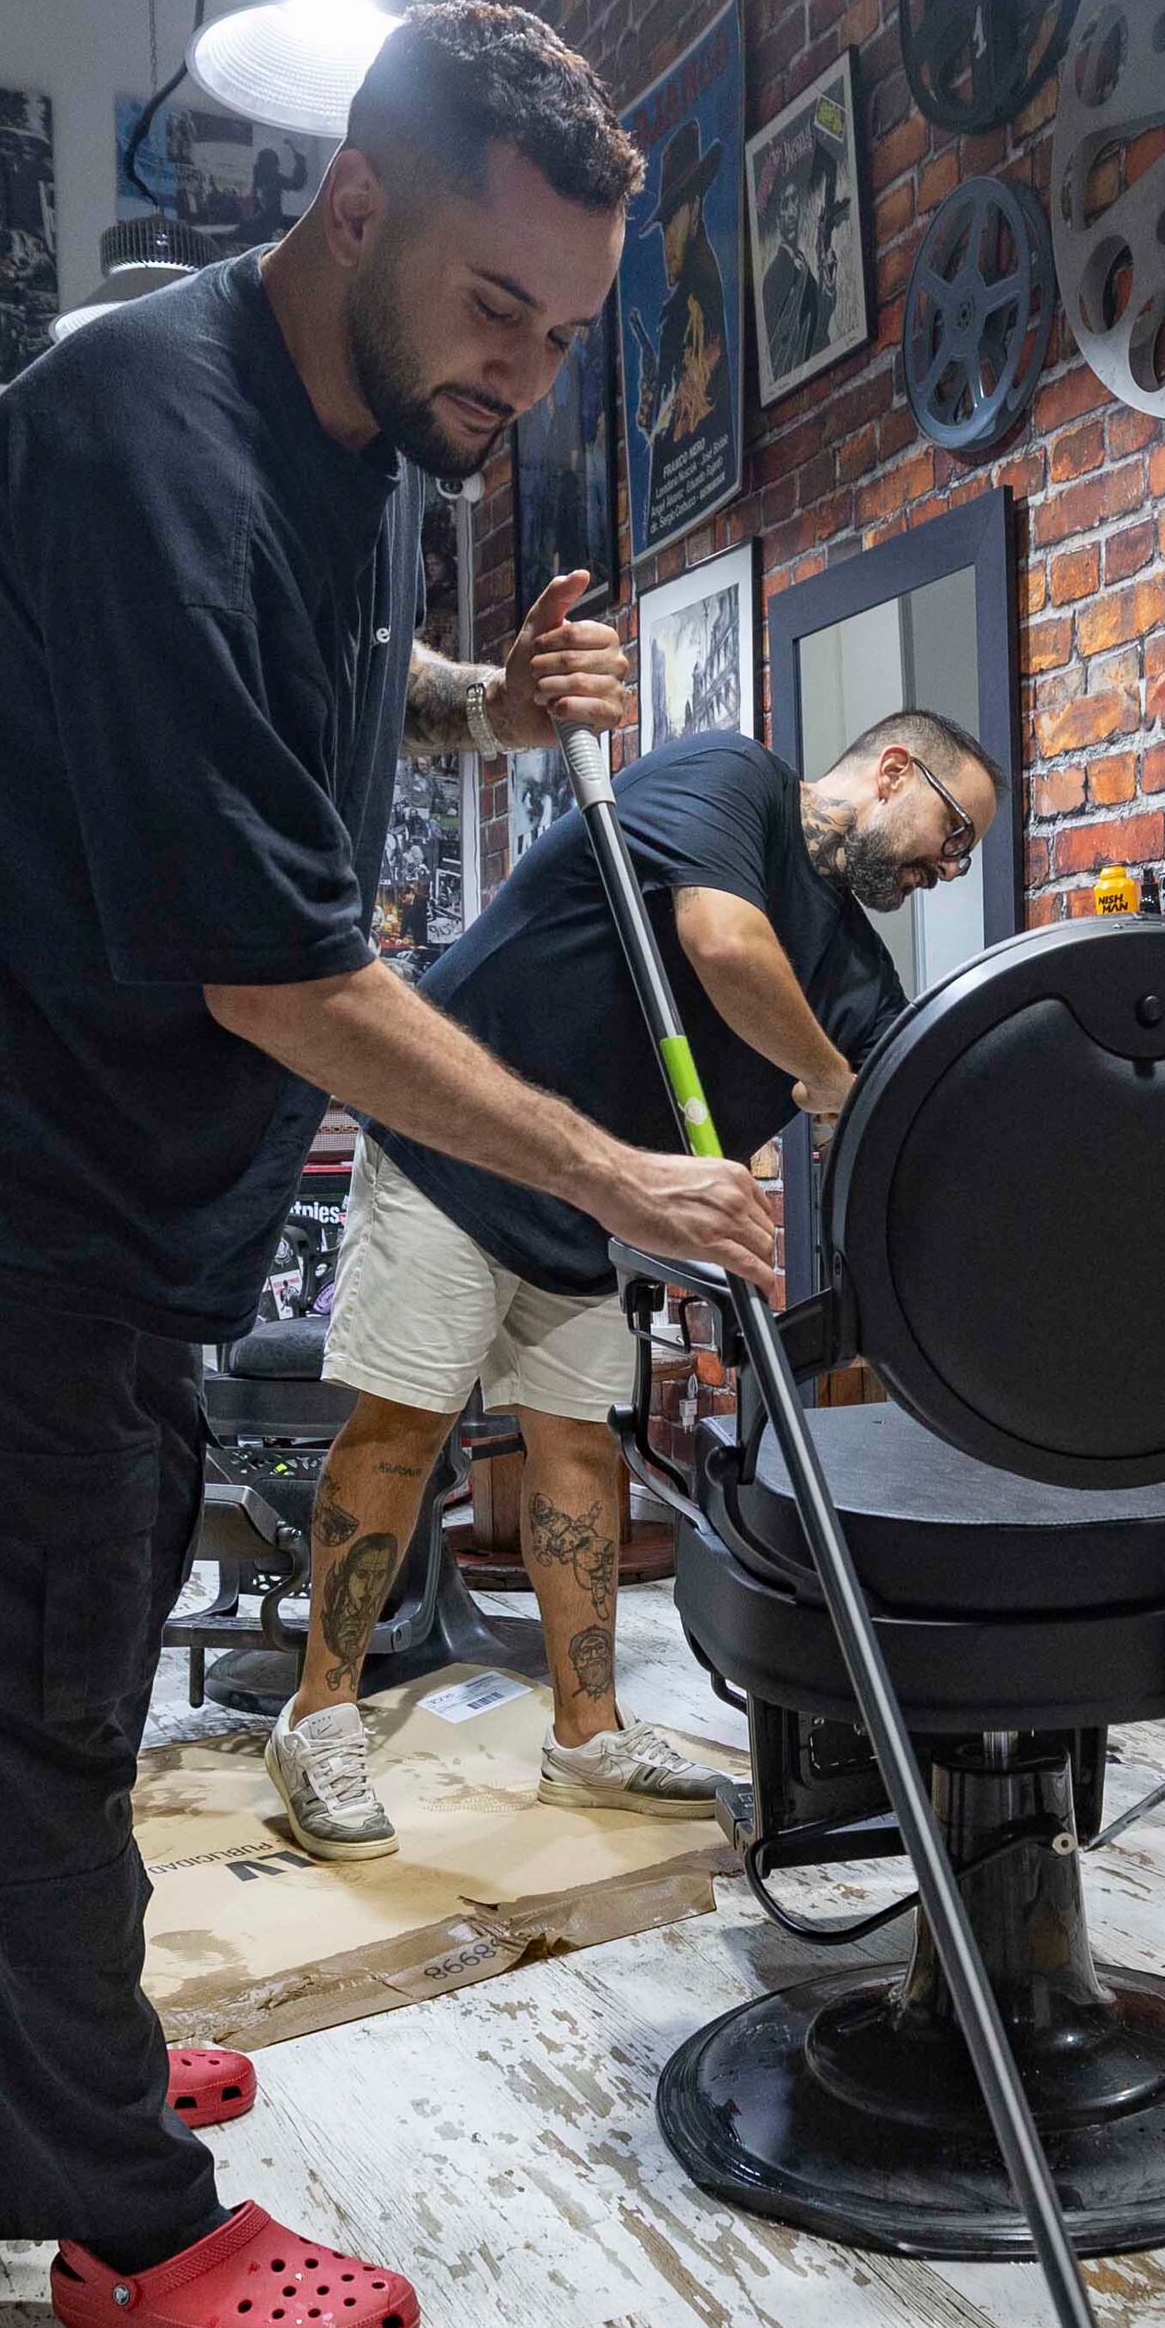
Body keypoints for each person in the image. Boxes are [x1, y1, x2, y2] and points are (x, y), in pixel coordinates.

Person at [0, 3, 778, 2328]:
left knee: (50, 1621)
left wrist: (477, 709)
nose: (520, 371)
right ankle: (118, 2208)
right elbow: (279, 971)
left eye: (562, 333)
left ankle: (9, 2055)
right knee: (37, 1653)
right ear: (352, 208)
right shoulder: (144, 438)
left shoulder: (365, 419)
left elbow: (312, 662)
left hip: (107, 1152)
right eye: (494, 306)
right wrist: (616, 1174)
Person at [267, 709, 1001, 1858]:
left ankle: (587, 1735)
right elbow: (720, 941)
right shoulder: (732, 783)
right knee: (404, 1427)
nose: (948, 867)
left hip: (594, 1196)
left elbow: (901, 1098)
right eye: (952, 834)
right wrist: (825, 1077)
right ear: (894, 770)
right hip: (456, 1139)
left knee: (576, 1451)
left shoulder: (854, 968)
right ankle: (316, 1716)